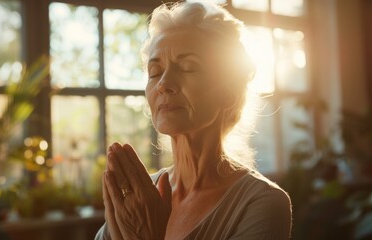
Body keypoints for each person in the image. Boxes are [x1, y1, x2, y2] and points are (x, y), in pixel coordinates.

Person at [95, 1, 292, 239]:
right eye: (155, 72)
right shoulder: (140, 197)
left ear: (228, 92)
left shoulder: (261, 202)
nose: (163, 84)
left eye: (188, 67)